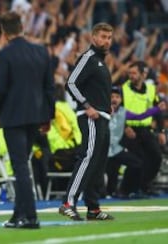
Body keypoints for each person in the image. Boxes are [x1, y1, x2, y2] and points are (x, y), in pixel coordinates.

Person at [0, 11, 55, 229]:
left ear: (3, 30)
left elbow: (0, 89)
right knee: (23, 165)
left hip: (13, 117)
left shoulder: (5, 54)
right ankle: (17, 214)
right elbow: (49, 86)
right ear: (21, 27)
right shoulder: (41, 51)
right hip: (36, 116)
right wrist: (49, 115)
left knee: (20, 166)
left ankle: (30, 216)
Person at [60, 22, 114, 221]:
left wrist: (108, 106)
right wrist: (86, 105)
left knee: (98, 163)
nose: (105, 41)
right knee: (88, 157)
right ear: (93, 38)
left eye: (108, 38)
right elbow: (71, 83)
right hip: (91, 116)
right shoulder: (89, 57)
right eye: (102, 37)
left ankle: (93, 207)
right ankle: (68, 202)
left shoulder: (100, 61)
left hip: (103, 116)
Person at [106, 86, 165, 198]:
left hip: (115, 149)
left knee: (136, 163)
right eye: (112, 97)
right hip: (103, 149)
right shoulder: (102, 110)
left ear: (121, 100)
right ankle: (106, 193)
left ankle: (125, 191)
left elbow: (139, 116)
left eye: (117, 97)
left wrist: (156, 109)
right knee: (108, 170)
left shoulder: (123, 112)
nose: (114, 99)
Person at [121, 61, 166, 196]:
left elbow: (158, 109)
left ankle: (144, 185)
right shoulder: (124, 89)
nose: (131, 76)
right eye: (130, 73)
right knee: (138, 158)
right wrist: (125, 127)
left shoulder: (151, 89)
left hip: (145, 129)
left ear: (143, 75)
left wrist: (161, 131)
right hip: (129, 130)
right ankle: (125, 190)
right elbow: (118, 111)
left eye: (134, 73)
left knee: (156, 156)